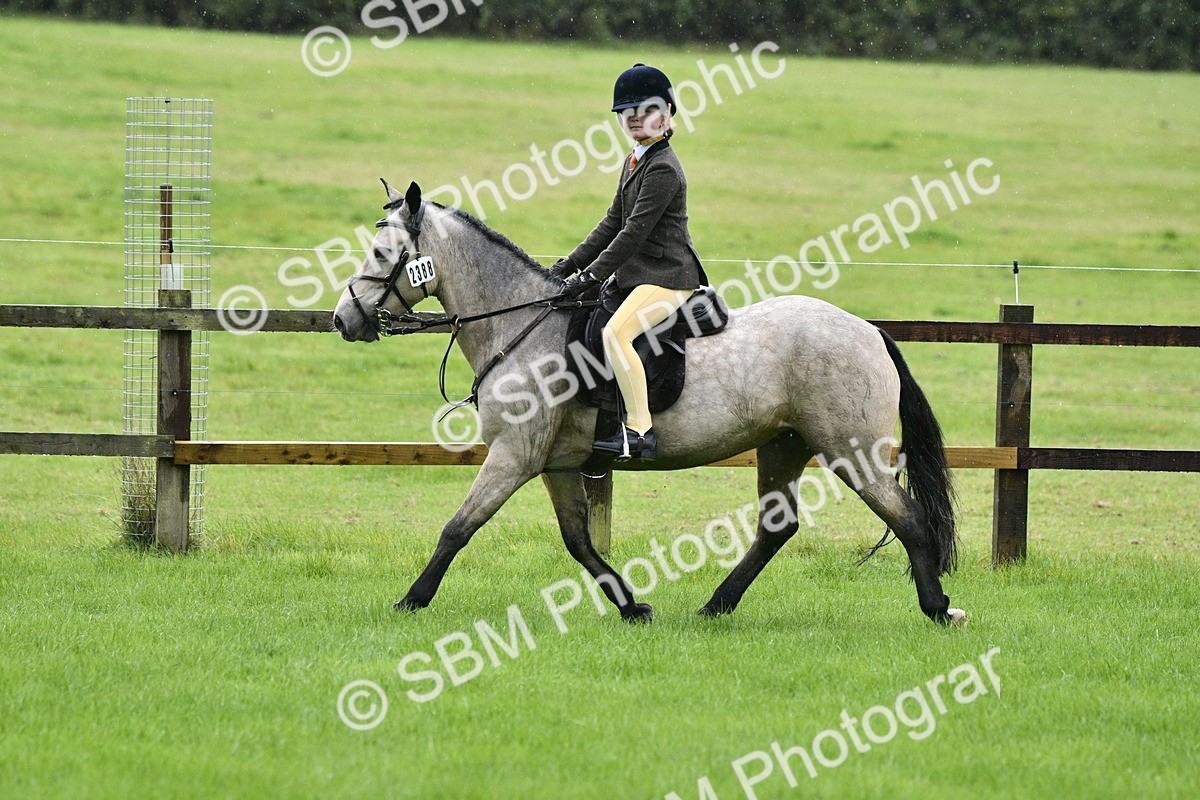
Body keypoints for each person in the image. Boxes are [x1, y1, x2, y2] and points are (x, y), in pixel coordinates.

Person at [553, 63, 706, 461]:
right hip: (639, 276)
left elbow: (632, 234)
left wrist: (591, 275)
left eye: (647, 109)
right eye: (627, 111)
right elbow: (611, 222)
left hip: (669, 277)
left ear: (668, 114)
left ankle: (639, 432)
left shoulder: (664, 168)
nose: (635, 117)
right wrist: (566, 266)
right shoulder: (634, 159)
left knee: (616, 335)